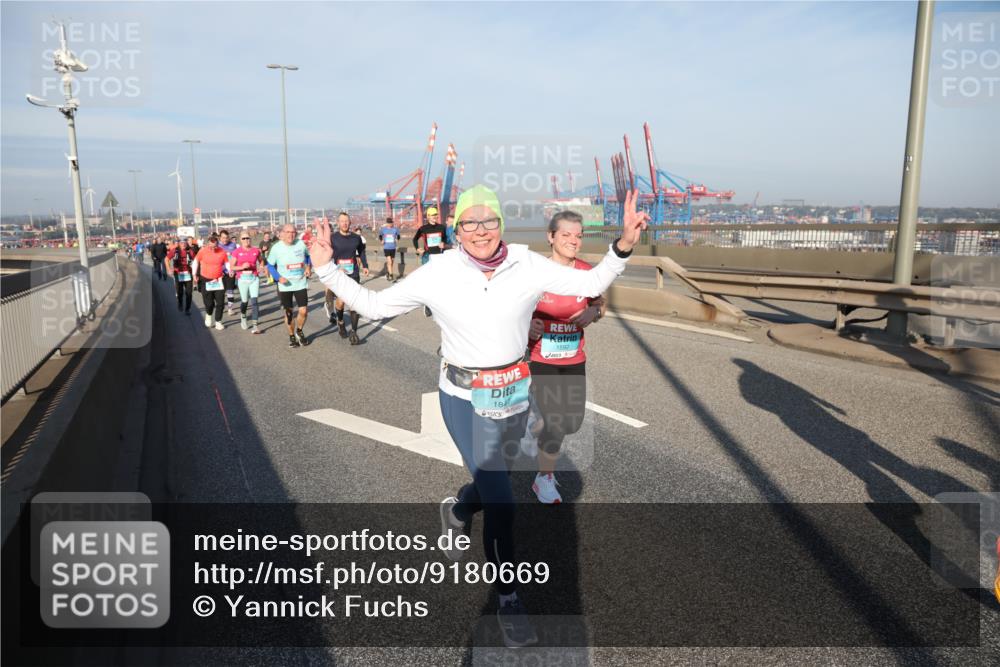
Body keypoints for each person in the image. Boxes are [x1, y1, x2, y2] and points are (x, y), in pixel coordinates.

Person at [309, 185, 647, 648]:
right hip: (464, 398)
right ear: (457, 229)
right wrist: (326, 267)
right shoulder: (439, 271)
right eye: (470, 222)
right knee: (504, 502)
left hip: (513, 392)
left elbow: (589, 285)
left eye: (489, 221)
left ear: (501, 226)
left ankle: (459, 509)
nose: (480, 231)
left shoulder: (526, 263)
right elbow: (375, 305)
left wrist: (623, 244)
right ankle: (508, 598)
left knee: (494, 485)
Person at [524, 210, 607, 504]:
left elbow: (600, 303)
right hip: (540, 358)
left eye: (578, 235)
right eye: (566, 235)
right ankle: (543, 479)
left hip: (573, 358)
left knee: (571, 422)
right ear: (551, 237)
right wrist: (527, 325)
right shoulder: (534, 272)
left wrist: (593, 311)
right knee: (557, 422)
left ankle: (535, 421)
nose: (574, 241)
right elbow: (511, 309)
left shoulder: (586, 272)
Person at [323, 212, 369, 345]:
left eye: (347, 221)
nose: (345, 223)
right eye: (342, 221)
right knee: (341, 302)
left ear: (350, 223)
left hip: (353, 273)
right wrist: (333, 269)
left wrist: (365, 265)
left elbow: (361, 252)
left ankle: (354, 331)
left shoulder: (356, 238)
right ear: (338, 223)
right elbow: (327, 255)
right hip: (339, 275)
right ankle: (341, 321)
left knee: (354, 303)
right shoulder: (333, 238)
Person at [266, 223, 312, 348]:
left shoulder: (301, 244)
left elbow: (308, 256)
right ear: (282, 233)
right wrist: (277, 277)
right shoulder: (276, 248)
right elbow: (269, 265)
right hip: (285, 285)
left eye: (293, 232)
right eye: (288, 232)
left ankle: (299, 331)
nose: (291, 235)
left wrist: (308, 266)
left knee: (303, 311)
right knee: (289, 313)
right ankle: (292, 336)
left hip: (300, 283)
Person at [192, 234, 228, 331]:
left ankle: (218, 321)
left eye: (215, 246)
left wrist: (230, 271)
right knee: (209, 303)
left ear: (217, 244)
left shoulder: (222, 251)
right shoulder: (203, 251)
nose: (213, 248)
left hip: (218, 280)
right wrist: (194, 274)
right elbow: (195, 262)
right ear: (208, 244)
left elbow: (227, 263)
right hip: (206, 280)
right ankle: (208, 314)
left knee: (220, 302)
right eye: (211, 246)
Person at [230, 232, 264, 334]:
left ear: (250, 239)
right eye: (244, 238)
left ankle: (255, 326)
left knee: (254, 302)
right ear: (240, 240)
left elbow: (261, 261)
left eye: (248, 238)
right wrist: (241, 267)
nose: (246, 240)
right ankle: (243, 316)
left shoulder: (255, 250)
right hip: (242, 279)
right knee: (244, 301)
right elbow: (232, 266)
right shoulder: (236, 252)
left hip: (254, 278)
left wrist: (261, 266)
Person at [166, 237, 197, 315]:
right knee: (180, 292)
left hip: (188, 273)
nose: (183, 244)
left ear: (187, 243)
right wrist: (169, 269)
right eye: (182, 243)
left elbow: (196, 261)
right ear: (179, 243)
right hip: (178, 273)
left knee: (189, 293)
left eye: (185, 243)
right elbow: (166, 259)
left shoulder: (190, 251)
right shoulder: (175, 251)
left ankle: (187, 309)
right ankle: (180, 303)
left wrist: (195, 273)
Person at [217, 229, 238, 317]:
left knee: (230, 290)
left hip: (230, 272)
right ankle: (220, 306)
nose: (225, 240)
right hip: (219, 273)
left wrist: (233, 270)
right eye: (223, 238)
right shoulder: (216, 246)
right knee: (220, 292)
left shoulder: (233, 245)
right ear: (219, 238)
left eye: (226, 238)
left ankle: (230, 308)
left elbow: (236, 259)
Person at [378, 217, 399, 282]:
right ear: (386, 223)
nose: (390, 224)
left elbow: (398, 235)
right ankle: (391, 275)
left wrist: (397, 239)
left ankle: (388, 272)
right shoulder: (383, 229)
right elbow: (380, 235)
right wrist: (381, 240)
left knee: (391, 262)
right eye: (389, 223)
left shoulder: (395, 229)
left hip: (393, 247)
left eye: (391, 223)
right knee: (389, 262)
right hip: (386, 247)